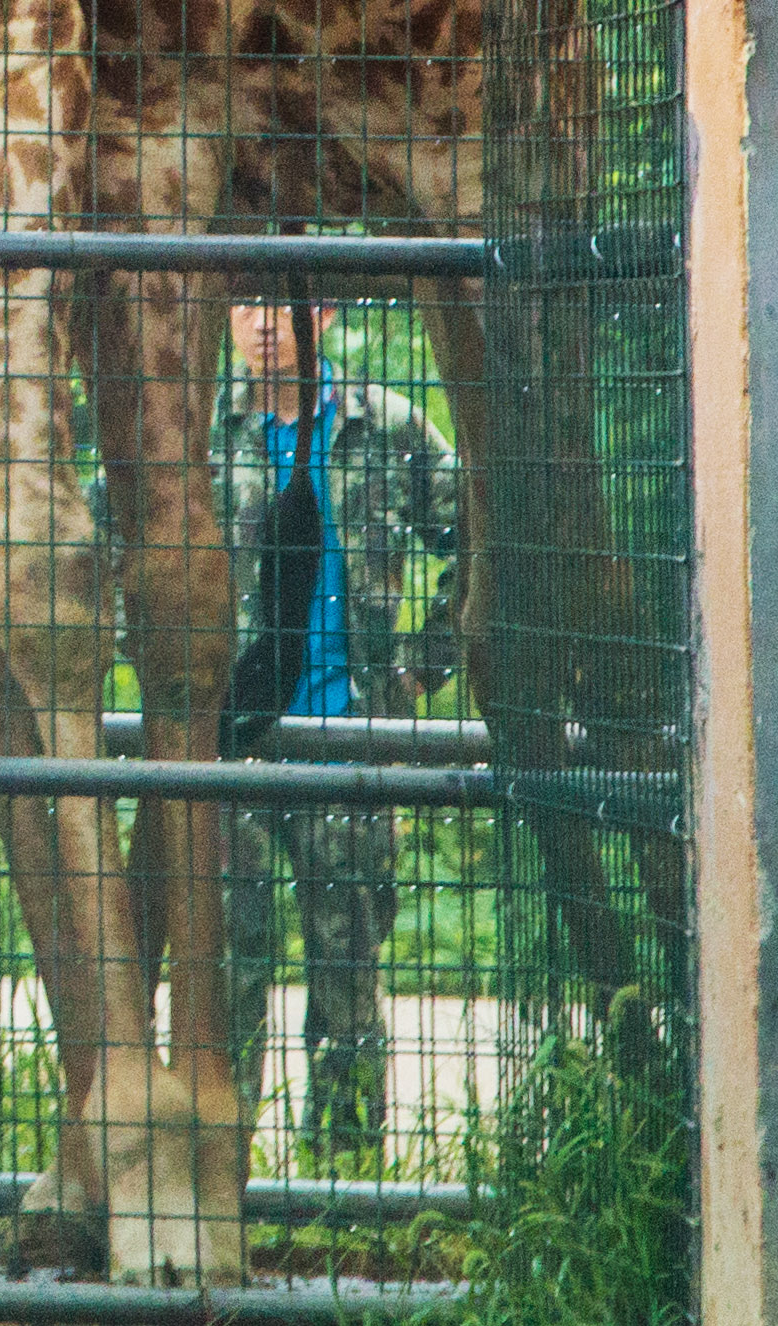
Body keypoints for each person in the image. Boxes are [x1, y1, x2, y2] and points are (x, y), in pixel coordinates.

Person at [212, 297, 461, 1161]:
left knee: (348, 973)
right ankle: (220, 1172)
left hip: (351, 739)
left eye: (282, 301)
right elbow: (125, 542)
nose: (264, 321)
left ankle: (347, 1183)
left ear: (321, 307)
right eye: (244, 301)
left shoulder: (385, 428)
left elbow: (483, 532)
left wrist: (429, 660)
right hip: (232, 750)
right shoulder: (200, 436)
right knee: (225, 971)